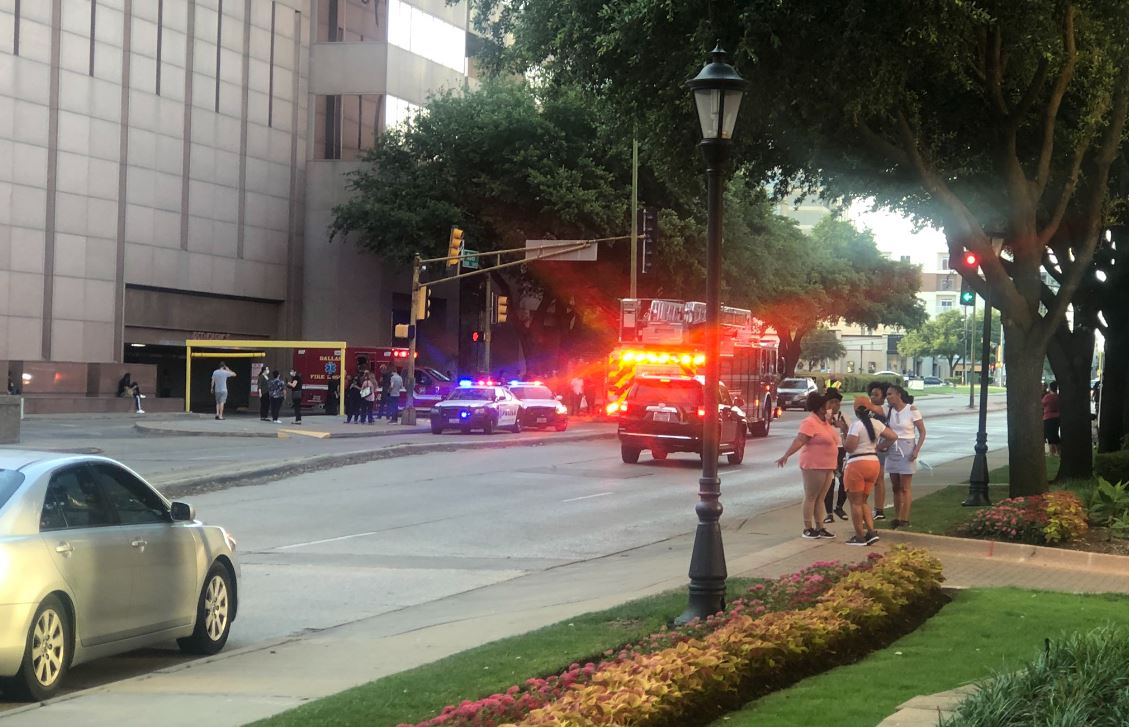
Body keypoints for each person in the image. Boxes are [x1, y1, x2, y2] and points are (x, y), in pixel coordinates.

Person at [775, 391, 841, 539]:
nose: (830, 407)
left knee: (821, 497)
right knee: (811, 496)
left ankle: (820, 526)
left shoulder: (825, 422)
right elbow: (800, 440)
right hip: (814, 464)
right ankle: (808, 527)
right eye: (827, 405)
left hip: (828, 465)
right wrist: (786, 455)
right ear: (820, 408)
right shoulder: (809, 422)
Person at [843, 395, 897, 545]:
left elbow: (849, 447)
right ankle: (871, 532)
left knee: (855, 502)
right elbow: (893, 436)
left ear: (856, 410)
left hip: (857, 464)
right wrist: (879, 447)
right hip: (873, 463)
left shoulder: (856, 425)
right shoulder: (877, 424)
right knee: (864, 501)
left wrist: (843, 436)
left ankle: (859, 536)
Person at [885, 384, 926, 529]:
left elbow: (922, 432)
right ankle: (897, 516)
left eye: (890, 394)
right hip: (892, 447)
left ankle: (905, 518)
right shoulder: (889, 410)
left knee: (905, 487)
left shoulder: (911, 409)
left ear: (898, 395)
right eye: (887, 394)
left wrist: (916, 450)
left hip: (907, 446)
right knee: (895, 486)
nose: (888, 397)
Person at [822, 388, 850, 524]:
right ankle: (828, 513)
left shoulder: (843, 416)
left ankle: (839, 507)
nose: (835, 405)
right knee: (829, 483)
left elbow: (851, 433)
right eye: (832, 402)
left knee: (844, 481)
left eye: (837, 403)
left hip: (841, 451)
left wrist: (843, 427)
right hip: (827, 451)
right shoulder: (822, 417)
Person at [866, 381, 891, 521]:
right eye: (871, 394)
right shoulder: (869, 411)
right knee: (872, 479)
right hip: (868, 447)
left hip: (880, 447)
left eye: (876, 395)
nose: (872, 397)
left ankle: (879, 509)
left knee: (879, 478)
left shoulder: (885, 410)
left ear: (883, 397)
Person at [1042, 381, 1061, 457]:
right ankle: (1055, 451)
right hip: (1057, 417)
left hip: (1048, 417)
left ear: (1050, 388)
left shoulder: (1048, 397)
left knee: (1050, 435)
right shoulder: (1058, 396)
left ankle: (1053, 452)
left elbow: (1042, 403)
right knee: (1054, 434)